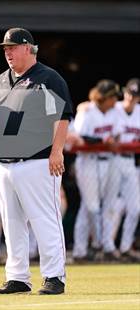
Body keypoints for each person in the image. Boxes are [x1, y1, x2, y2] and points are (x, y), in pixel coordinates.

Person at [0, 28, 73, 295]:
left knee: (45, 220)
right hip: (4, 164)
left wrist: (57, 152)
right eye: (5, 49)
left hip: (38, 162)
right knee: (11, 223)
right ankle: (18, 277)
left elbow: (62, 117)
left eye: (13, 47)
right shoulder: (0, 80)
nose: (7, 52)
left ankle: (54, 276)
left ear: (29, 48)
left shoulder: (48, 78)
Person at [72, 80, 121, 263]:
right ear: (104, 97)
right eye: (113, 97)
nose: (116, 100)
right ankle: (97, 245)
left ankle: (82, 250)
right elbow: (81, 136)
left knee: (92, 207)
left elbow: (116, 133)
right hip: (88, 162)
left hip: (108, 162)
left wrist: (111, 139)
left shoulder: (115, 111)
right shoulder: (87, 111)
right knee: (92, 207)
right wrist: (103, 140)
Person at [102, 78, 140, 262]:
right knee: (110, 206)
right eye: (128, 93)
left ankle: (125, 247)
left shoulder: (139, 112)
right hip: (113, 161)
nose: (130, 97)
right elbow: (90, 106)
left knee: (135, 208)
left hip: (130, 162)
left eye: (134, 95)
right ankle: (107, 246)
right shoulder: (114, 108)